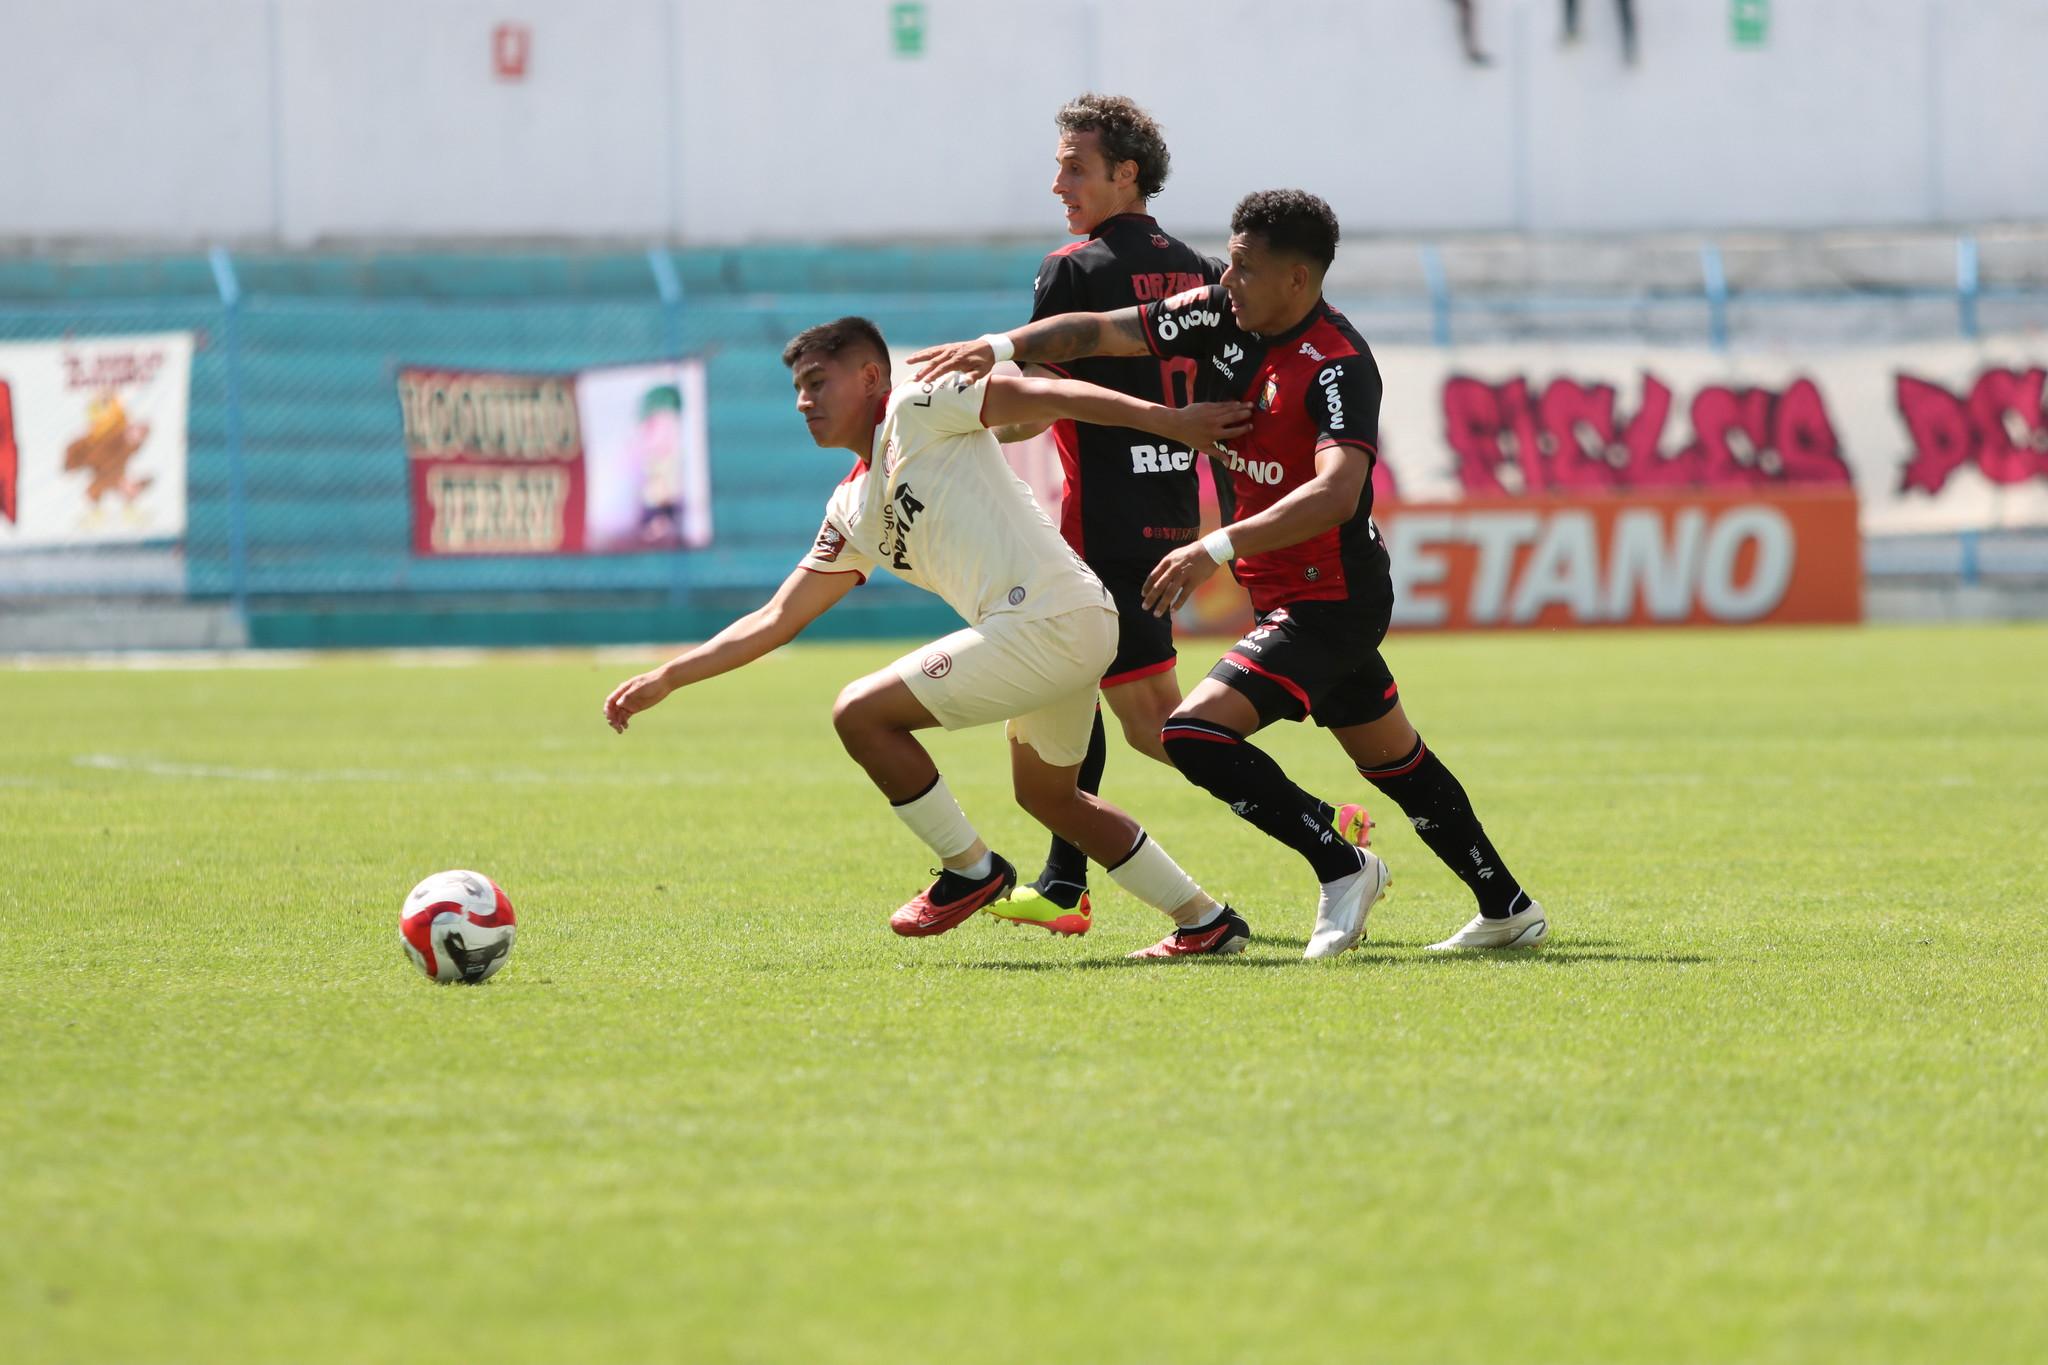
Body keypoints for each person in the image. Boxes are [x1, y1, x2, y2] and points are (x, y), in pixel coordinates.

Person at [910, 192, 1550, 958]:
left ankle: (1342, 864)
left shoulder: (1337, 365)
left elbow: (1337, 493)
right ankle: (1507, 906)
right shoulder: (1220, 314)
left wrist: (1212, 547)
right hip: (1284, 589)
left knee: (1192, 733)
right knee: (1393, 759)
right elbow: (1100, 331)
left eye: (1245, 267)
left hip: (1332, 596)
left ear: (1298, 279)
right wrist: (999, 346)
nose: (1227, 279)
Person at [604, 317, 1259, 958]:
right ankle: (1204, 919)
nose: (804, 401)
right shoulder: (850, 508)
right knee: (1048, 797)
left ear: (869, 377)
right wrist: (669, 676)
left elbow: (1047, 394)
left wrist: (1171, 422)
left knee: (860, 713)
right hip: (1059, 624)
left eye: (817, 382)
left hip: (1052, 618)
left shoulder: (918, 405)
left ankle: (970, 870)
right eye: (798, 389)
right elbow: (778, 617)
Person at [994, 92, 1252, 936]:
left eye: (1076, 167)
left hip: (1100, 516)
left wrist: (968, 421)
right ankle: (1064, 880)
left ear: (1126, 173)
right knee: (1077, 688)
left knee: (1148, 722)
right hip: (1171, 510)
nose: (1059, 183)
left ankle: (1326, 828)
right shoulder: (1206, 271)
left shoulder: (1072, 270)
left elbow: (1035, 404)